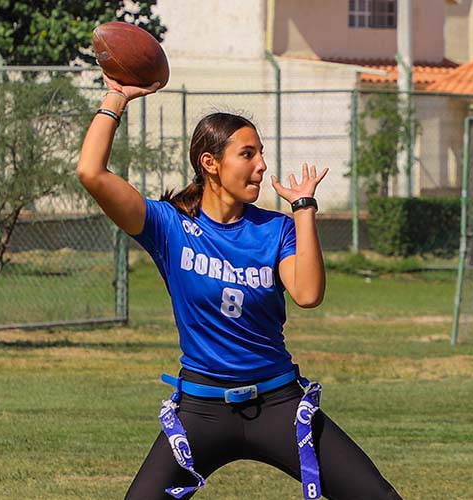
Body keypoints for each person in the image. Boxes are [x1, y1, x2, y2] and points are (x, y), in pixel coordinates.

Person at [76, 75, 403, 500]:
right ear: (210, 163)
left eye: (261, 154)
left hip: (278, 403)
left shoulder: (276, 229)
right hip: (201, 409)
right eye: (247, 154)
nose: (261, 165)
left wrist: (303, 209)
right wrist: (116, 97)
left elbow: (307, 294)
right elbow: (90, 171)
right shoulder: (169, 225)